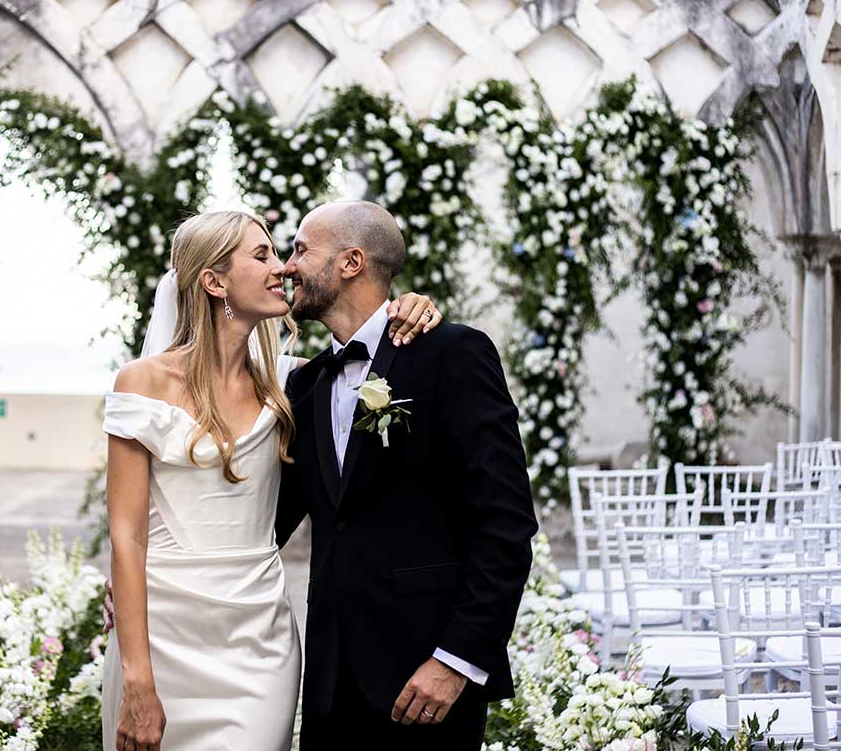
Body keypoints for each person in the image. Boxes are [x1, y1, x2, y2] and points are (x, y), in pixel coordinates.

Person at [100, 208, 441, 751]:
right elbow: (127, 536)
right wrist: (137, 678)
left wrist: (413, 306)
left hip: (259, 640)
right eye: (262, 256)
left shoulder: (295, 384)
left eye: (281, 253)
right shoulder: (142, 383)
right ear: (214, 282)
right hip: (163, 635)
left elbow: (370, 345)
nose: (282, 268)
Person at [275, 200, 538, 750]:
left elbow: (506, 523)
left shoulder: (451, 354)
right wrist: (157, 576)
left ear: (351, 262)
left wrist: (457, 661)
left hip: (426, 680)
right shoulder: (306, 386)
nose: (287, 265)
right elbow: (266, 523)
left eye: (300, 249)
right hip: (329, 685)